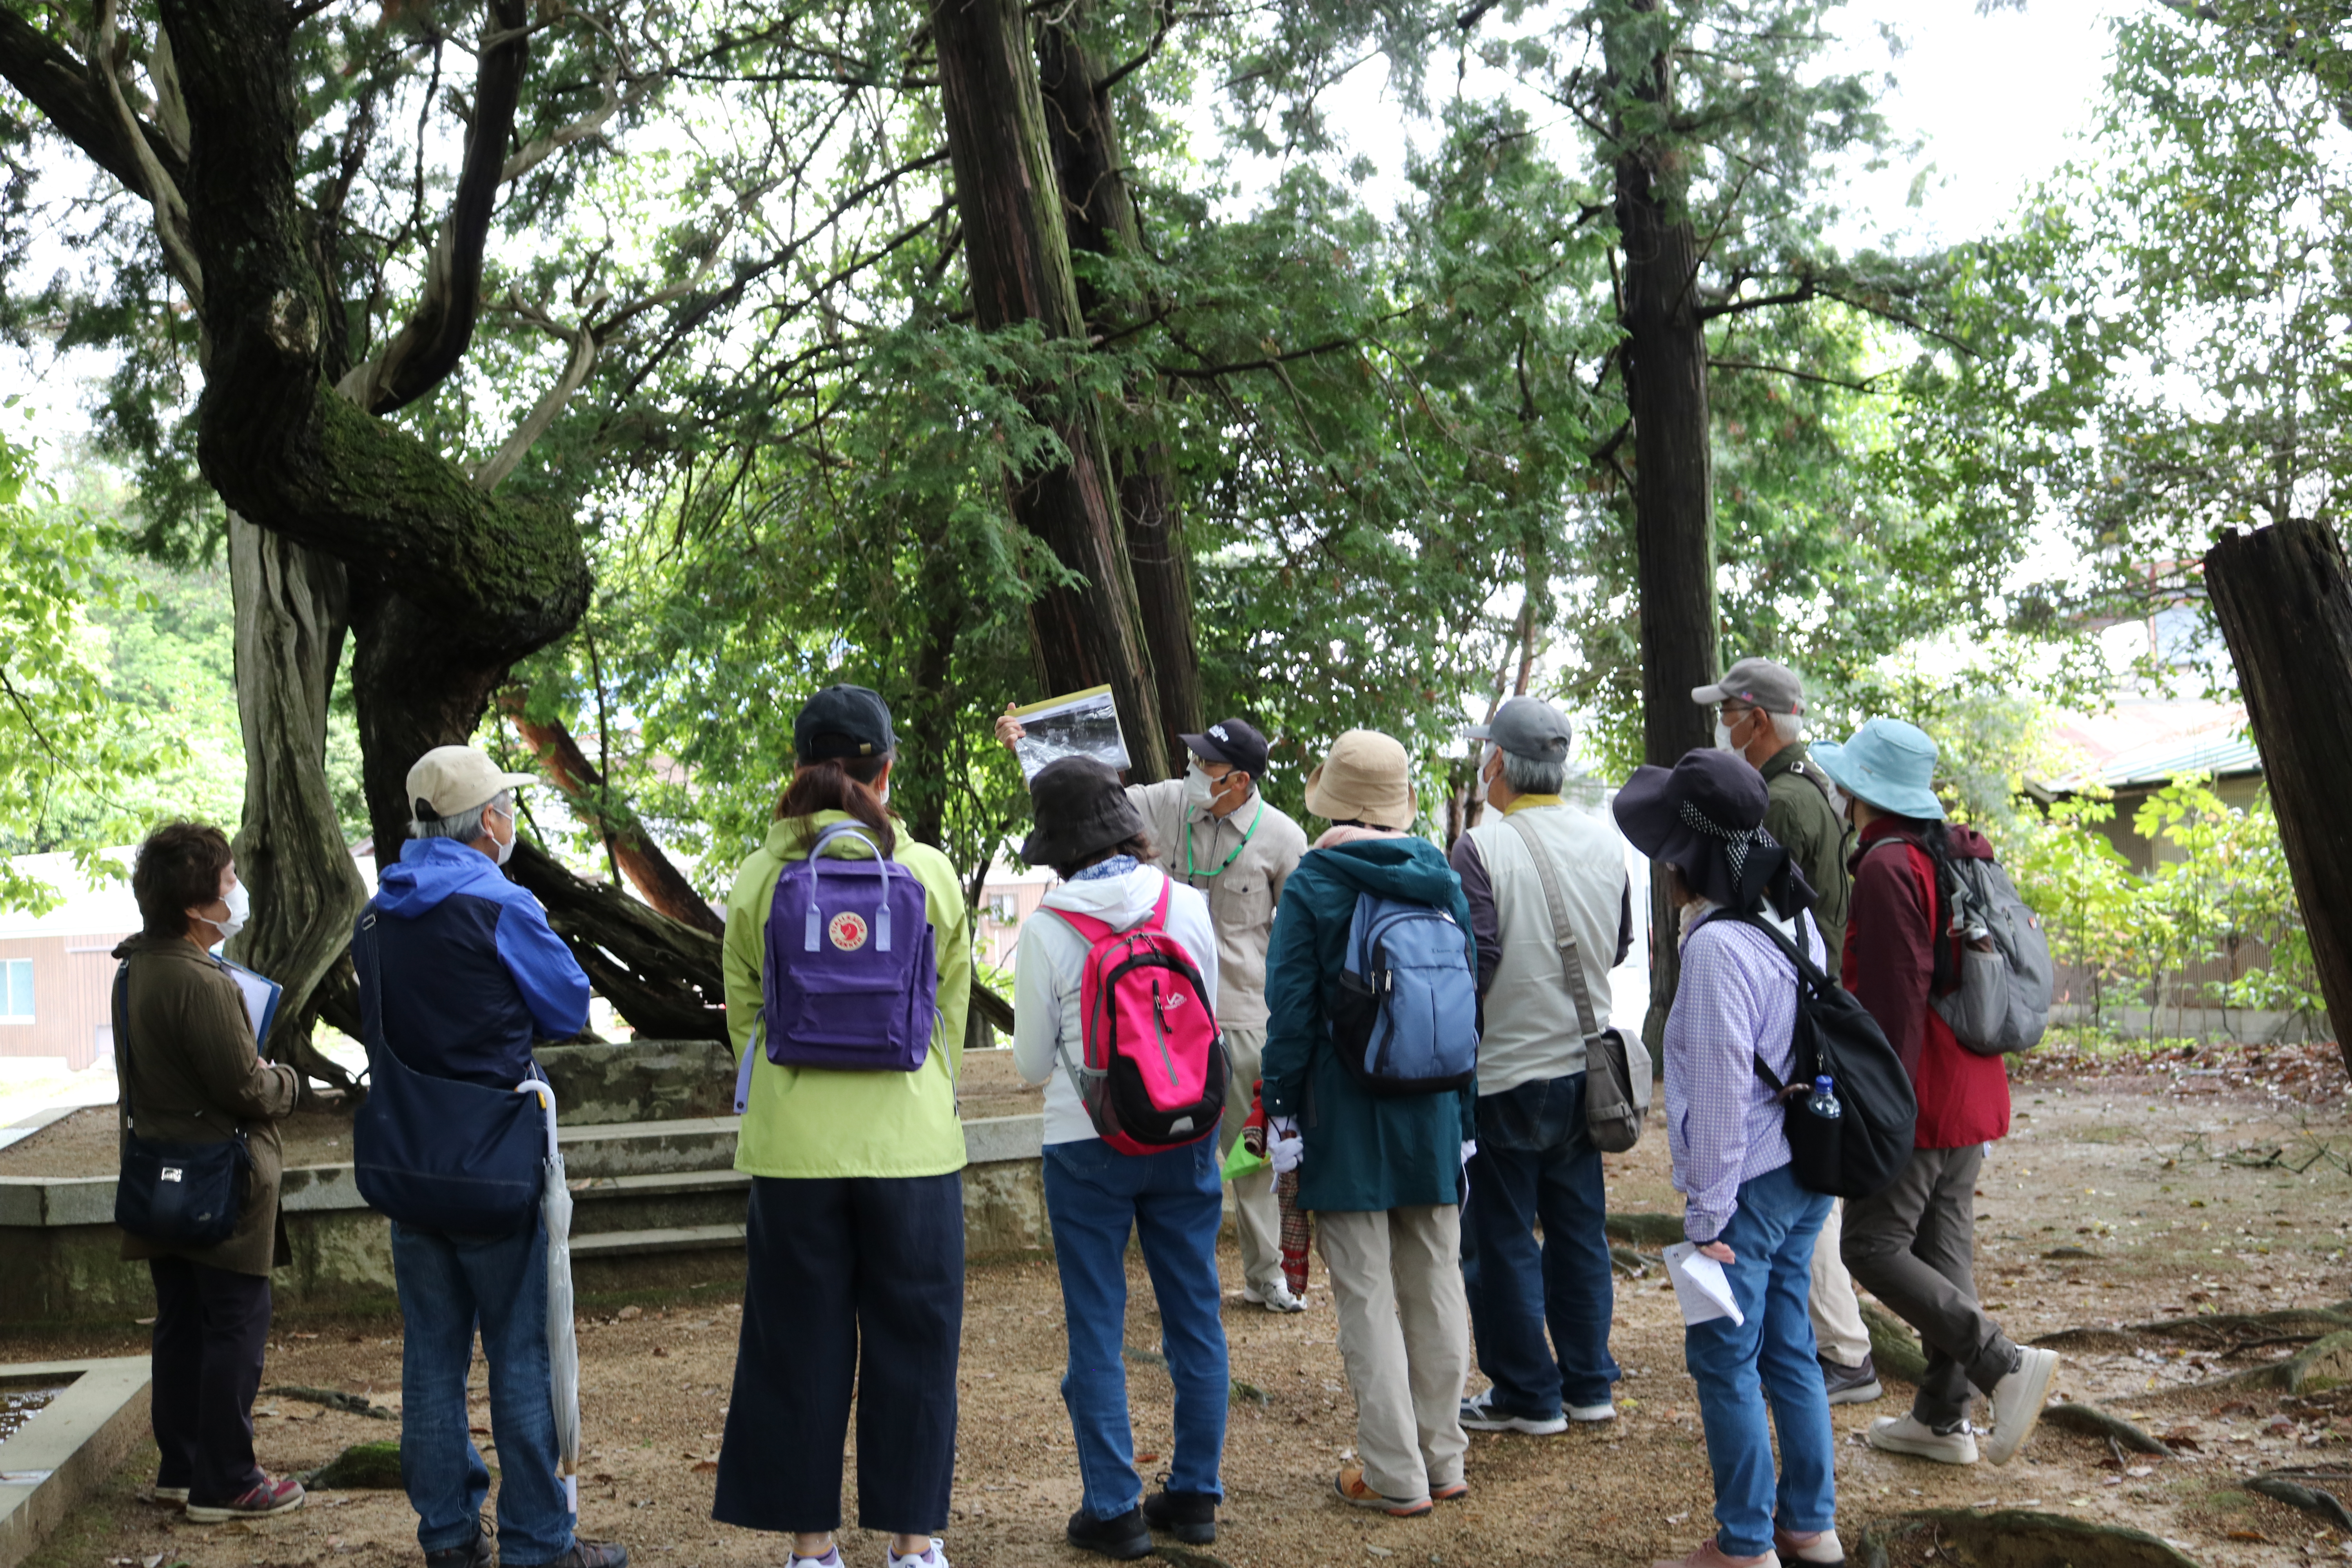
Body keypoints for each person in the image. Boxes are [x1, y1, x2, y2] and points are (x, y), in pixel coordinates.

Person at [713, 686, 971, 1568]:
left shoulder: (759, 874)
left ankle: (813, 1545)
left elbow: (745, 1016)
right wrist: (926, 1095)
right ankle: (913, 1541)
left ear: (800, 768)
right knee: (918, 1336)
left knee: (797, 1340)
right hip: (912, 1146)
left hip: (793, 1152)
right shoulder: (929, 873)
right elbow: (949, 1016)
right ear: (885, 769)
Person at [357, 746, 624, 1568]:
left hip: (410, 1162)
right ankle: (540, 1542)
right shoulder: (500, 904)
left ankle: (447, 1536)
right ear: (490, 824)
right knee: (521, 1350)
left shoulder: (376, 913)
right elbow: (568, 1003)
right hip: (500, 1162)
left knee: (431, 1353)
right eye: (508, 806)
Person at [998, 708, 1310, 1311]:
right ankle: (1177, 1285)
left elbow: (1294, 944)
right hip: (1150, 1022)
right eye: (1193, 760)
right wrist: (1028, 753)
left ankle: (1265, 1272)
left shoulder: (1284, 839)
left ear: (1240, 780)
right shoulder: (1167, 803)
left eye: (1207, 765)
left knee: (1248, 1155)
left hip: (1242, 1020)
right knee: (1164, 1148)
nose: (1193, 771)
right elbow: (1086, 801)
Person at [1611, 751, 1840, 1568]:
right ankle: (1810, 1526)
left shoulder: (1714, 950)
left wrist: (1706, 1219)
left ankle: (1745, 1543)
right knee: (1787, 1344)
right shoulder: (1790, 913)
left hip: (1747, 1183)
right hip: (1804, 1170)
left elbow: (1714, 1100)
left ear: (1685, 855)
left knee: (1722, 1354)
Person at [1810, 717, 2058, 1467]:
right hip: (1969, 1083)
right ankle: (1943, 1419)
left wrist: (1879, 1108)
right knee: (1943, 1252)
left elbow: (1893, 1000)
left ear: (1858, 788)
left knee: (1870, 1243)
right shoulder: (1941, 850)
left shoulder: (1887, 867)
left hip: (1918, 1091)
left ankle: (2002, 1363)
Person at [1011, 758, 1229, 1560]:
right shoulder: (1188, 904)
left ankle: (1115, 1506)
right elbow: (1207, 1012)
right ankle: (1198, 1493)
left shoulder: (1049, 926)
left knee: (1097, 1326)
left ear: (1055, 846)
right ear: (1126, 824)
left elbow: (1034, 1062)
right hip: (1187, 1131)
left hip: (1087, 1143)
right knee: (1195, 1313)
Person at [1260, 729, 1475, 1517]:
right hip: (1435, 1106)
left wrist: (1280, 1110)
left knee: (1366, 1292)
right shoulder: (1441, 873)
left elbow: (1287, 1014)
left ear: (1333, 798)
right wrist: (1468, 1115)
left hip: (1345, 1110)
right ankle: (1444, 1455)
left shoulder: (1316, 882)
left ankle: (1393, 1472)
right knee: (1436, 1278)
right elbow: (1468, 1005)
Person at [1691, 657, 1878, 1406]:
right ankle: (1833, 1348)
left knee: (1794, 1208)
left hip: (1785, 1020)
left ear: (1756, 719)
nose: (1724, 728)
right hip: (1809, 1009)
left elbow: (1759, 912)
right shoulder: (1818, 792)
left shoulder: (1776, 804)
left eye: (1728, 715)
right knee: (1810, 1203)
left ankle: (1842, 1349)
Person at [1446, 697, 1634, 1434]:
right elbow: (1617, 946)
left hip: (1506, 1073)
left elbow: (1477, 960)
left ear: (1499, 764)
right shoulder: (1605, 843)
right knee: (1579, 1230)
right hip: (1585, 1073)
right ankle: (1589, 1384)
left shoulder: (1481, 848)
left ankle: (1526, 1392)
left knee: (1499, 1237)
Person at [116, 822, 304, 1522]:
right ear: (196, 907)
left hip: (159, 1178)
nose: (238, 892)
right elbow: (246, 1090)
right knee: (234, 1323)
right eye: (228, 882)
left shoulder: (136, 968)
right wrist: (284, 1080)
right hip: (220, 1184)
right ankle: (228, 1481)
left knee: (182, 1322)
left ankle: (183, 1464)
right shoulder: (201, 981)